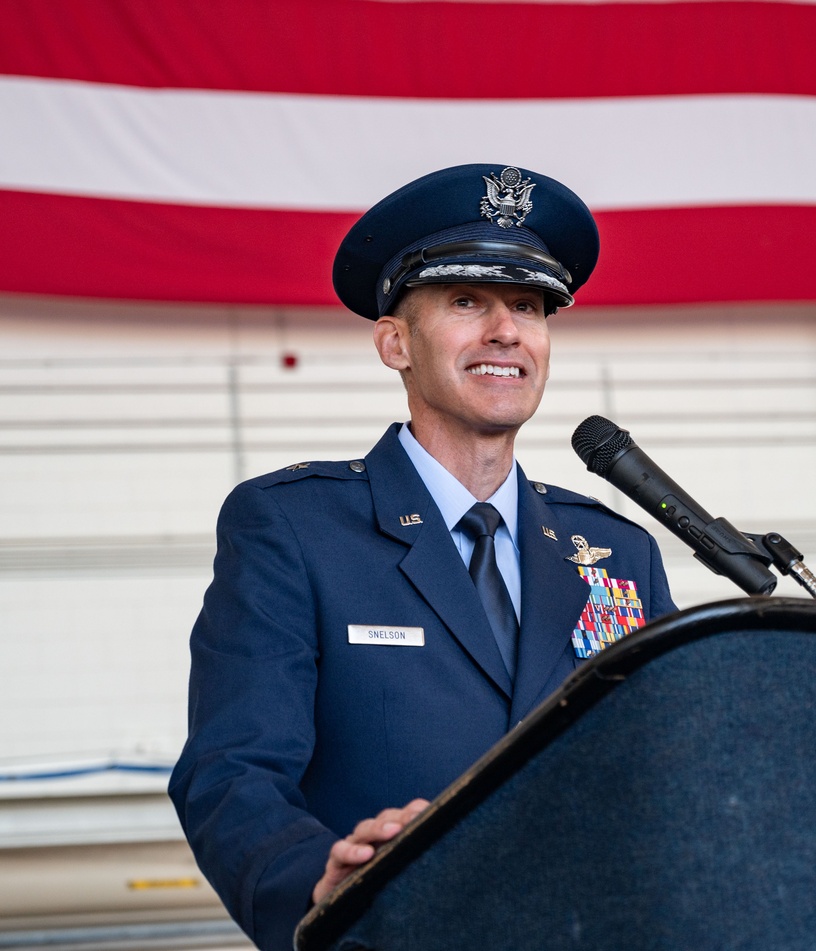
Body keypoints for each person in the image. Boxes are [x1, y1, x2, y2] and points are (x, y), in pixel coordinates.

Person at [169, 164, 676, 950]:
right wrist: (318, 879)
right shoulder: (293, 529)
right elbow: (232, 774)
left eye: (530, 306)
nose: (506, 331)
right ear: (394, 341)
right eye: (467, 302)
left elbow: (675, 771)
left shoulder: (618, 550)